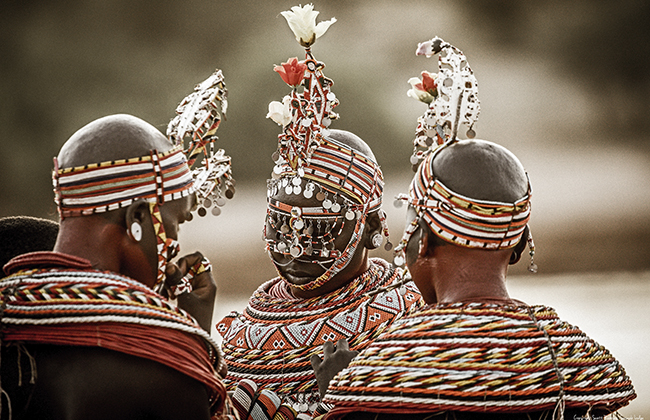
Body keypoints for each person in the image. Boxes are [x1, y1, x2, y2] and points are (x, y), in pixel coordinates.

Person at [316, 37, 636, 419]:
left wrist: (339, 399)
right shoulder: (564, 358)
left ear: (423, 242)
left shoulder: (386, 374)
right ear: (517, 245)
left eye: (410, 229)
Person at [216, 5, 422, 417]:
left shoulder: (410, 319)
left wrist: (347, 396)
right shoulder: (240, 335)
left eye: (317, 232)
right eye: (279, 228)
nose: (294, 251)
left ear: (373, 227)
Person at [0, 70, 240, 420]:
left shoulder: (12, 307)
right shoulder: (161, 366)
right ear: (138, 220)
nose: (174, 243)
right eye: (175, 224)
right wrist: (192, 342)